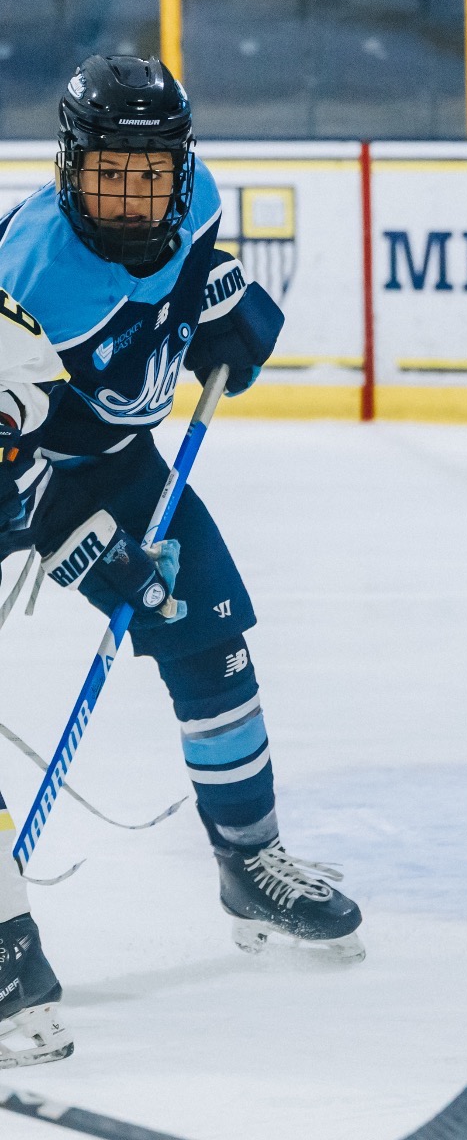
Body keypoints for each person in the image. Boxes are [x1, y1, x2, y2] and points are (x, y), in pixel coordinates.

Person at [0, 56, 363, 1067]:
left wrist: (216, 311)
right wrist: (71, 542)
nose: (129, 195)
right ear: (70, 169)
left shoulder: (192, 197)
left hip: (116, 459)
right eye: (106, 173)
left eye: (147, 173)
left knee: (212, 642)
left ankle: (251, 866)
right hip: (20, 470)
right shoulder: (29, 278)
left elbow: (193, 277)